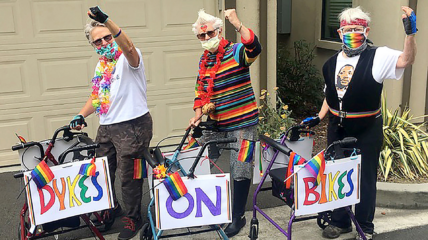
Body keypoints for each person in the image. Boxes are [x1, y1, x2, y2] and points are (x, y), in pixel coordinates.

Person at [304, 6, 417, 240]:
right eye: (347, 29)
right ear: (339, 32)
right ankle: (340, 221)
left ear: (366, 31)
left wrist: (410, 33)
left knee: (365, 178)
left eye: (357, 29)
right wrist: (319, 116)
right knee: (337, 174)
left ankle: (365, 225)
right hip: (338, 127)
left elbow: (406, 60)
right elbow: (331, 94)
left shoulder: (379, 56)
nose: (352, 33)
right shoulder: (331, 63)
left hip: (367, 128)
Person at [69, 6, 152, 240]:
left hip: (132, 125)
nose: (105, 42)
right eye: (99, 41)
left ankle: (133, 216)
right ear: (93, 46)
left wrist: (106, 20)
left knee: (129, 175)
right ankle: (110, 209)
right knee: (101, 172)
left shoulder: (129, 59)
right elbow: (97, 97)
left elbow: (129, 47)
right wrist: (81, 115)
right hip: (107, 127)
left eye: (108, 37)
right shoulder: (101, 65)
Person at [189, 9, 262, 237]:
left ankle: (238, 216)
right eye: (201, 36)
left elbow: (254, 48)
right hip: (217, 123)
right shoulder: (205, 59)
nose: (205, 38)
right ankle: (208, 208)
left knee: (240, 168)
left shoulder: (236, 51)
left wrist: (238, 24)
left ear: (219, 31)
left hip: (244, 122)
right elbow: (200, 91)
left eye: (209, 33)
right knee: (197, 158)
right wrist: (197, 114)